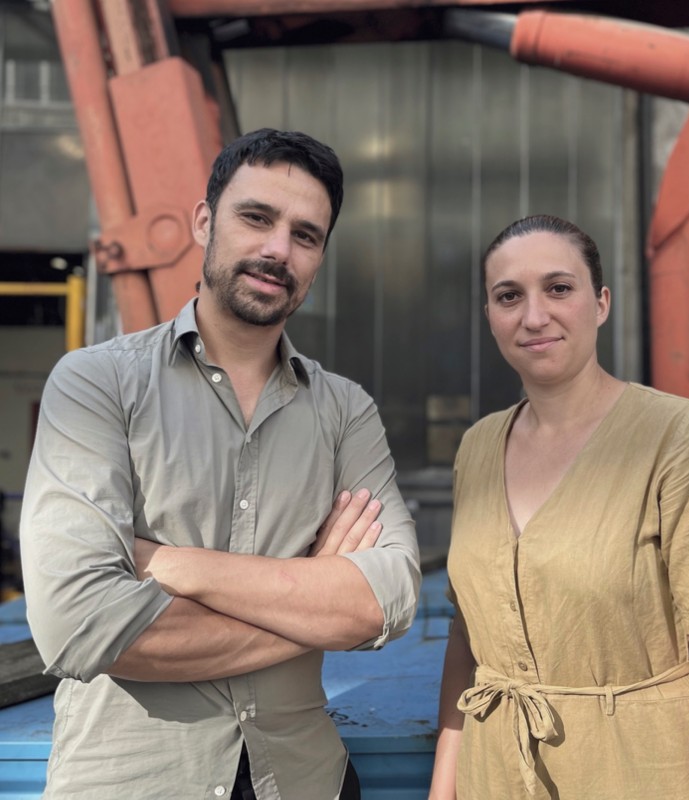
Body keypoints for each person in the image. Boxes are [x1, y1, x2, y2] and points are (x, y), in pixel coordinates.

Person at [20, 128, 420, 800]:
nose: (278, 249)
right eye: (256, 218)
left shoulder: (345, 410)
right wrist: (314, 598)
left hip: (303, 781)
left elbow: (390, 597)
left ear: (320, 257)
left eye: (305, 235)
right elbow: (78, 626)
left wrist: (175, 565)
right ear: (205, 222)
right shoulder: (96, 384)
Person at [428, 214, 689, 800]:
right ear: (489, 315)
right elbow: (471, 642)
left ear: (601, 303)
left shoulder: (683, 442)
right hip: (495, 779)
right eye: (509, 296)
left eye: (558, 288)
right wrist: (444, 788)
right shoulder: (478, 447)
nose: (534, 316)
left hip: (637, 776)